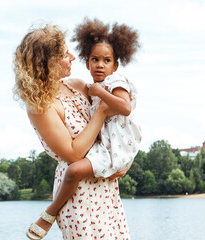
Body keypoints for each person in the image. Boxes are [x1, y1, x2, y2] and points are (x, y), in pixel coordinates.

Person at [13, 23, 131, 240]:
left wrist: (123, 158)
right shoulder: (41, 105)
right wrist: (101, 113)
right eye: (65, 54)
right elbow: (73, 154)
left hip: (106, 189)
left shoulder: (77, 85)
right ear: (48, 61)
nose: (73, 57)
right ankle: (49, 215)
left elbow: (116, 121)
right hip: (79, 196)